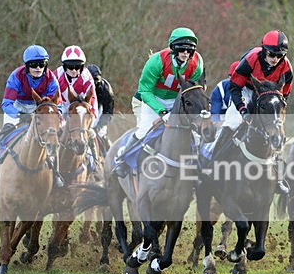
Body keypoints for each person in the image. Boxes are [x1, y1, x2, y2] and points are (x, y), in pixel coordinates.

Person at [112, 27, 205, 177]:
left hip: (176, 99)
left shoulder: (197, 63)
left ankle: (197, 167)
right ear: (173, 48)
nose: (186, 53)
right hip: (152, 99)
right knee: (144, 130)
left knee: (195, 134)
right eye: (182, 49)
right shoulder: (156, 61)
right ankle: (122, 160)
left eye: (189, 50)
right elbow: (145, 91)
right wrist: (162, 112)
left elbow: (191, 90)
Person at [214, 30, 293, 194]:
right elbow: (234, 87)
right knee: (233, 122)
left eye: (279, 56)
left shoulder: (286, 68)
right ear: (264, 50)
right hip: (245, 89)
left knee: (277, 130)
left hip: (268, 94)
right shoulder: (251, 59)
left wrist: (277, 113)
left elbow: (284, 95)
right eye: (272, 54)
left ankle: (278, 179)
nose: (275, 59)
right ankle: (214, 166)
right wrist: (243, 110)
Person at [0, 45, 64, 186]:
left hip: (40, 108)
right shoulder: (16, 76)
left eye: (41, 64)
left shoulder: (51, 78)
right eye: (33, 65)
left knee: (52, 136)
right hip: (17, 106)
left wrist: (53, 117)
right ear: (27, 66)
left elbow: (58, 105)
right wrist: (20, 114)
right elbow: (6, 104)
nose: (38, 68)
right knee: (5, 131)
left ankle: (55, 173)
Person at [52, 45, 97, 116]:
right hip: (61, 107)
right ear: (64, 66)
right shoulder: (56, 76)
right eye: (70, 67)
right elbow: (51, 98)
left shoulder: (87, 78)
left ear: (82, 67)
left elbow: (93, 102)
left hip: (80, 109)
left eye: (77, 67)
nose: (73, 70)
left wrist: (93, 118)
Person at [86, 63, 115, 155]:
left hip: (99, 113)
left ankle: (110, 156)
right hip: (85, 113)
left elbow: (108, 112)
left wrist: (98, 127)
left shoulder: (105, 89)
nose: (93, 84)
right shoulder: (80, 85)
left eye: (95, 81)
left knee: (101, 136)